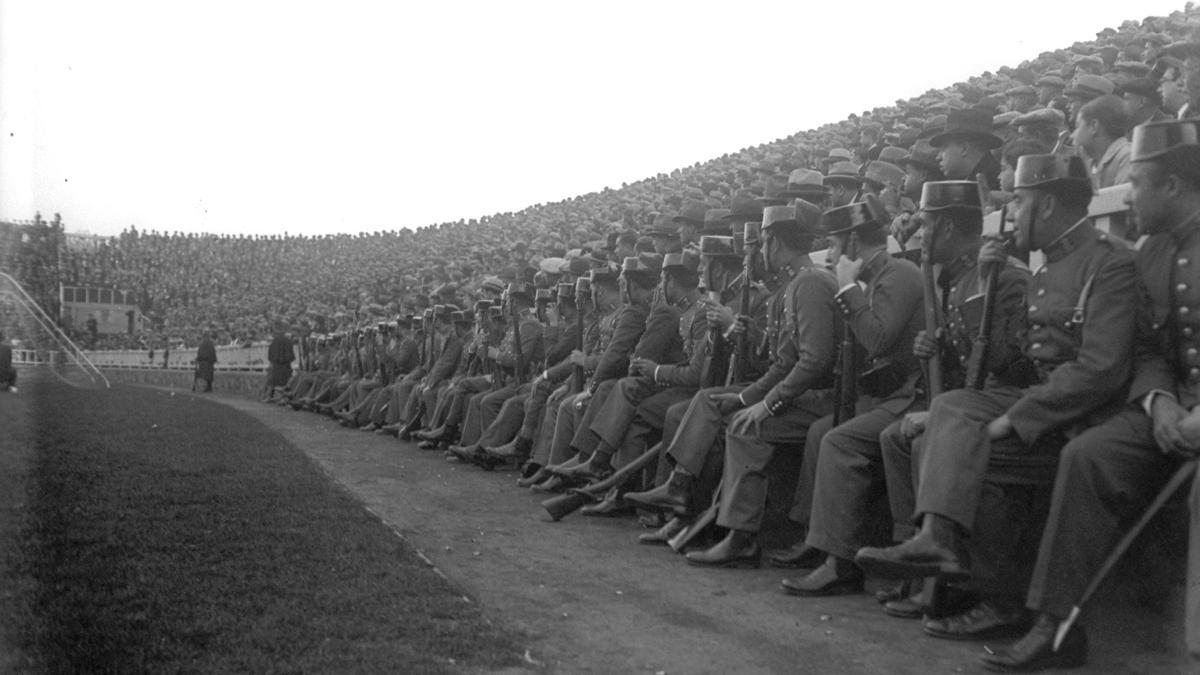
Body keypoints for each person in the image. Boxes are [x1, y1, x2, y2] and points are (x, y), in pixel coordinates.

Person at [852, 153, 1142, 671]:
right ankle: (938, 544)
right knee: (952, 412)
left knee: (962, 431)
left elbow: (1098, 371)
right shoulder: (1050, 264)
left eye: (1022, 202)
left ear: (1047, 202)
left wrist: (1018, 416)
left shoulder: (1107, 262)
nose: (1012, 216)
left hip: (1083, 415)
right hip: (1046, 403)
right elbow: (1025, 354)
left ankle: (998, 596)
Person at [1072, 95, 1132, 189]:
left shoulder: (1127, 157)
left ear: (1094, 126)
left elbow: (1117, 202)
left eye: (1077, 126)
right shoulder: (1090, 161)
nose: (1072, 135)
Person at [263, 326, 295, 401]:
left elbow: (271, 357)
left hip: (277, 367)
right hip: (286, 367)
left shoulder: (275, 342)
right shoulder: (288, 342)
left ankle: (269, 396)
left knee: (272, 380)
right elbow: (291, 357)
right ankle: (280, 398)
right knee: (282, 381)